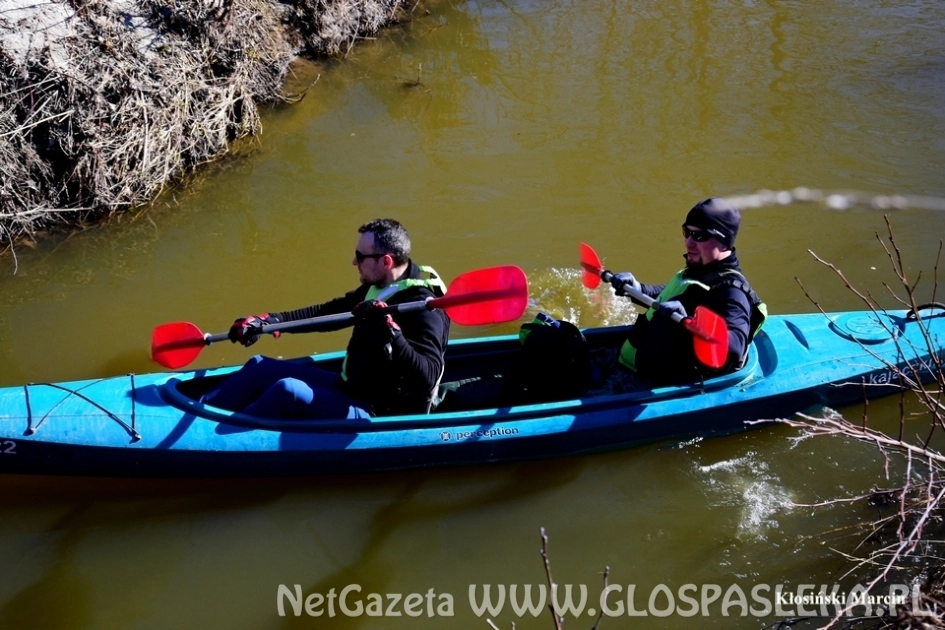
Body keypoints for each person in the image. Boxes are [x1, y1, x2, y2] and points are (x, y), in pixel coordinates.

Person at [200, 219, 451, 419]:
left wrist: (392, 333)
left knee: (288, 390)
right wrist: (271, 321)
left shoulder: (423, 309)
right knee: (259, 367)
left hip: (376, 413)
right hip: (349, 388)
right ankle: (199, 413)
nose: (354, 261)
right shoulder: (383, 285)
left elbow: (428, 375)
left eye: (360, 256)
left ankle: (214, 444)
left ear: (386, 261)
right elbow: (330, 313)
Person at [605, 197, 767, 387]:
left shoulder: (733, 293)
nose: (688, 242)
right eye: (687, 232)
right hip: (626, 366)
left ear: (724, 242)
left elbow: (736, 346)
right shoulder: (701, 269)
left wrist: (692, 323)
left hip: (648, 387)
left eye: (699, 236)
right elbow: (671, 295)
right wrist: (637, 289)